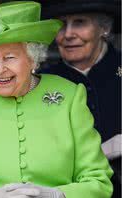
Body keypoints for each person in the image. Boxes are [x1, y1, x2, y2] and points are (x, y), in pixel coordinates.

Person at [0, 1, 113, 198]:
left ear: (32, 59)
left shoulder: (70, 95)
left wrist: (57, 195)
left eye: (9, 58)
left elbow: (98, 181)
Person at [39, 0, 121, 197]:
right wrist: (106, 149)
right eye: (61, 25)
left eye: (80, 22)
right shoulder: (41, 82)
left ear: (104, 28)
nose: (68, 34)